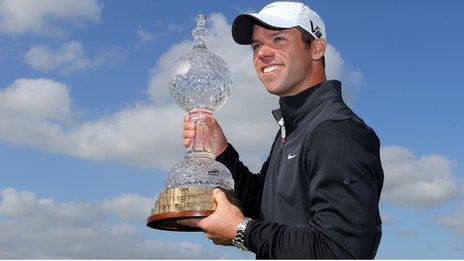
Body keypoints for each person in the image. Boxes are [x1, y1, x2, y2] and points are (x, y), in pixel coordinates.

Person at [181, 1, 384, 259]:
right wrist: (221, 152)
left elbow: (339, 249)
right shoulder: (293, 129)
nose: (262, 53)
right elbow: (263, 206)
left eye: (278, 39)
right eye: (257, 45)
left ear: (316, 48)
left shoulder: (336, 131)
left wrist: (242, 231)